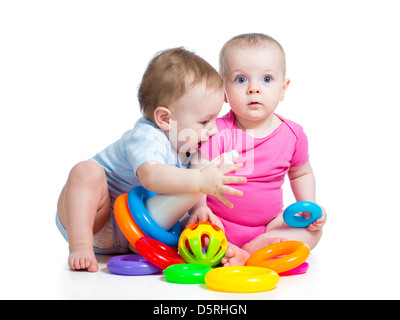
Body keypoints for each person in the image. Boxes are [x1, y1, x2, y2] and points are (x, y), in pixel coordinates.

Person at [56, 47, 246, 272]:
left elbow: (181, 191)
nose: (213, 130)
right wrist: (199, 180)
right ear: (165, 118)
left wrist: (198, 207)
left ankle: (219, 253)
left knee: (191, 222)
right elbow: (151, 177)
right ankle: (80, 246)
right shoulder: (147, 136)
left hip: (132, 231)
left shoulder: (190, 145)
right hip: (95, 219)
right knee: (86, 172)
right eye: (205, 122)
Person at [187, 34, 327, 266]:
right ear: (224, 91)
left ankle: (257, 246)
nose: (254, 89)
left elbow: (301, 172)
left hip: (270, 224)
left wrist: (309, 206)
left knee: (313, 233)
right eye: (241, 80)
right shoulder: (218, 131)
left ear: (283, 89)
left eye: (267, 79)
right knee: (193, 228)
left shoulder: (293, 135)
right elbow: (196, 174)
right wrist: (200, 208)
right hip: (219, 222)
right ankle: (235, 251)